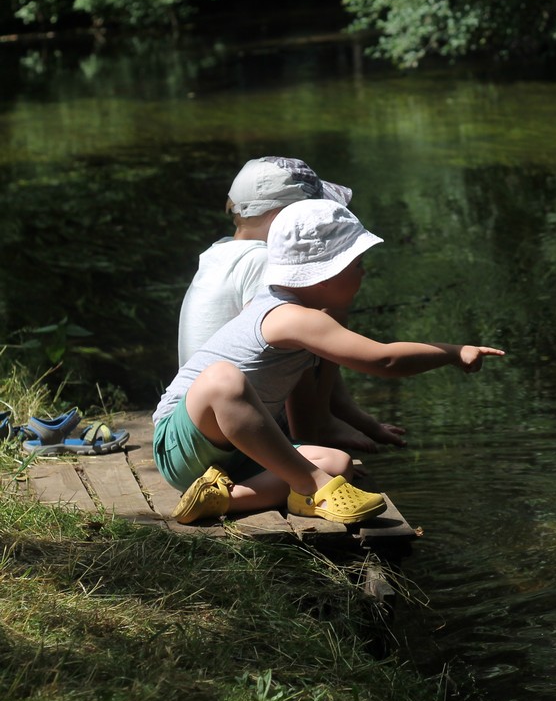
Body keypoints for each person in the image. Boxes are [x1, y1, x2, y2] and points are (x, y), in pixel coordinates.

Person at [152, 198, 505, 524]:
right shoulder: (289, 317)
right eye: (357, 263)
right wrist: (452, 352)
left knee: (338, 463)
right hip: (179, 444)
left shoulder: (306, 320)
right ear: (324, 274)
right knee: (222, 380)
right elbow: (383, 361)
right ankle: (313, 485)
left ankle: (222, 499)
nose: (363, 273)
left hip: (233, 459)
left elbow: (305, 418)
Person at [177, 156, 406, 452]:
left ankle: (327, 419)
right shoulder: (263, 262)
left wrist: (359, 418)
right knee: (320, 314)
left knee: (322, 313)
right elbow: (289, 343)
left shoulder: (221, 252)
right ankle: (313, 433)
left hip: (211, 411)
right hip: (233, 420)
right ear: (280, 216)